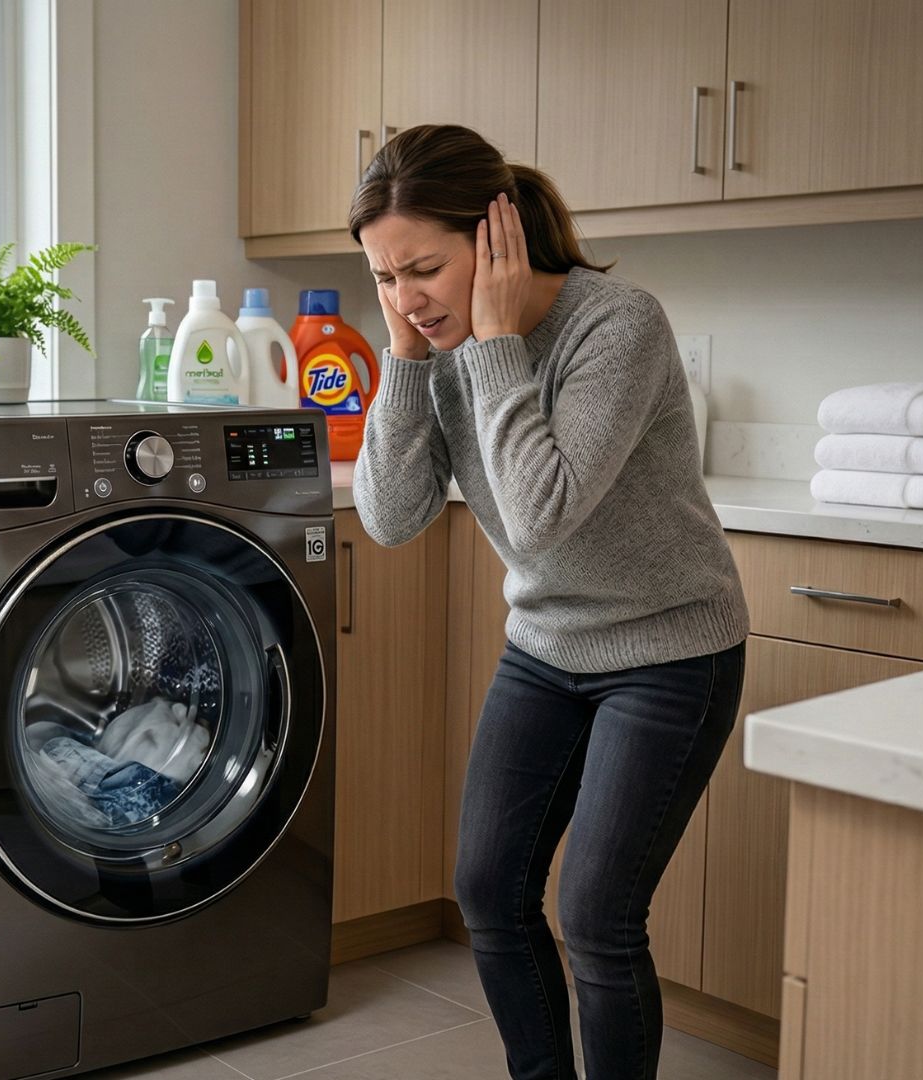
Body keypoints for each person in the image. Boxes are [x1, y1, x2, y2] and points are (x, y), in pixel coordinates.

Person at [349, 124, 750, 1080]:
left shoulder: (618, 326)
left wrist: (494, 343)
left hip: (668, 653)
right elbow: (392, 518)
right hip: (546, 647)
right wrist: (405, 358)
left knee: (598, 916)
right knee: (489, 891)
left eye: (424, 270)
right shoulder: (436, 343)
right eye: (383, 277)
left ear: (498, 238)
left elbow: (539, 515)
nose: (406, 298)